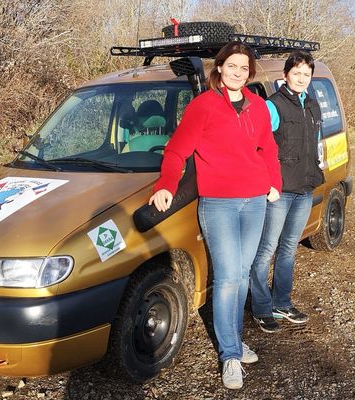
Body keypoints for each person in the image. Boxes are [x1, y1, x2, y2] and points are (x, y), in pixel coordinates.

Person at [149, 42, 282, 390]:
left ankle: (234, 341)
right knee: (226, 279)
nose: (238, 72)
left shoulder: (257, 105)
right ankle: (230, 355)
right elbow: (177, 149)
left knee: (241, 274)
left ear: (249, 72)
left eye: (244, 68)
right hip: (219, 203)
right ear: (219, 68)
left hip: (254, 200)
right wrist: (165, 184)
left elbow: (268, 147)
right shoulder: (203, 105)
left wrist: (274, 183)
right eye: (232, 66)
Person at [250, 50, 324, 333]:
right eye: (297, 73)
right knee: (266, 249)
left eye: (307, 74)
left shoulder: (313, 106)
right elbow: (260, 149)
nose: (302, 79)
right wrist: (268, 183)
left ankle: (282, 303)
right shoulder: (273, 106)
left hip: (304, 188)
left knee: (289, 248)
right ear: (285, 75)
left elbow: (314, 145)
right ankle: (260, 307)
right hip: (278, 191)